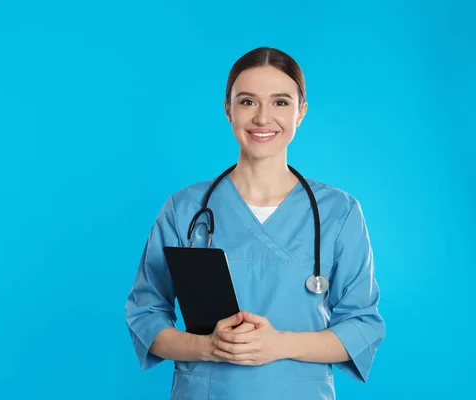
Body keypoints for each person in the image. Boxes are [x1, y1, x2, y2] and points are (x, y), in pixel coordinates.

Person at [125, 46, 385, 399]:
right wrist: (209, 347)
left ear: (301, 113)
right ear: (228, 110)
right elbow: (146, 314)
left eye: (280, 102)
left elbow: (362, 326)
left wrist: (279, 344)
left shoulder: (338, 212)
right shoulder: (184, 208)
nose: (263, 118)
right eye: (247, 102)